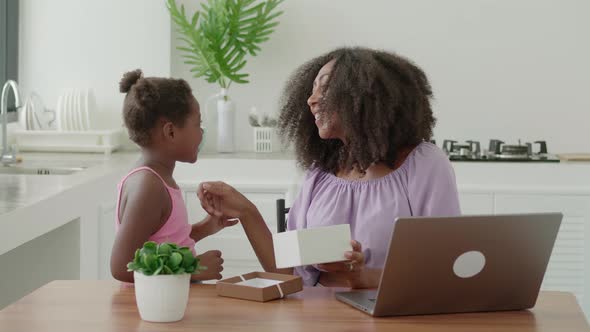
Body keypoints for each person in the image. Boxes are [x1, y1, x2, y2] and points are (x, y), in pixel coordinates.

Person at [198, 47, 461, 288]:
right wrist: (246, 211)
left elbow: (442, 269)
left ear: (365, 96)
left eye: (324, 88)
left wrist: (360, 276)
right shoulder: (320, 173)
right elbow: (288, 273)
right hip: (317, 316)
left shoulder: (424, 163)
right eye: (311, 90)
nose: (311, 100)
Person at [110, 69, 238, 283]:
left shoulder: (157, 179)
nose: (202, 133)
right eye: (198, 124)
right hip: (153, 308)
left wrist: (204, 228)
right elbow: (122, 267)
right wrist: (193, 269)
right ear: (170, 132)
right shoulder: (148, 186)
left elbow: (162, 245)